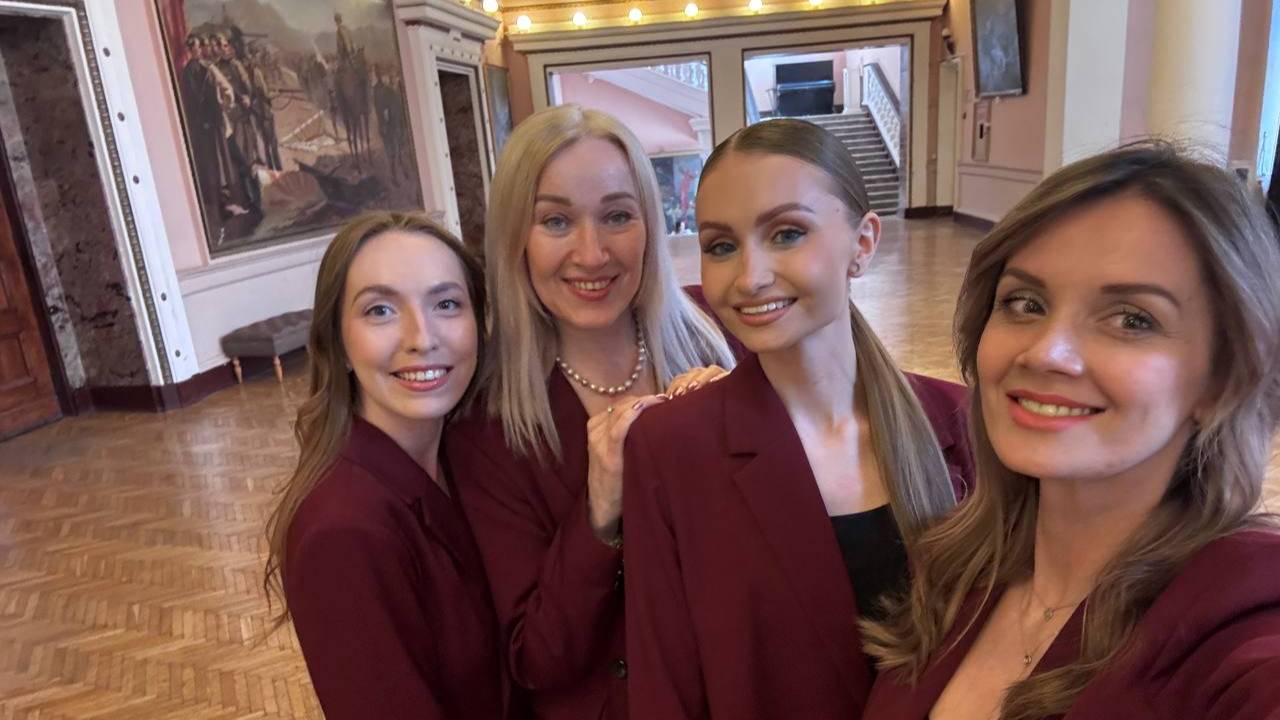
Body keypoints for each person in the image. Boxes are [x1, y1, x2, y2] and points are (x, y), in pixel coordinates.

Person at [862, 141, 1280, 719]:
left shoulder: (1243, 620)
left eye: (1132, 319)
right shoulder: (958, 567)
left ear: (1224, 379)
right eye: (1025, 303)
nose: (1046, 352)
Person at [622, 118, 975, 719]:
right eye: (721, 246)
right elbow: (665, 683)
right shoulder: (669, 447)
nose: (750, 277)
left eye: (787, 233)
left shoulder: (963, 421)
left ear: (863, 243)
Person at [444, 105, 736, 719]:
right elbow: (535, 658)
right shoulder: (484, 428)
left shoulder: (721, 337)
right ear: (515, 239)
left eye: (617, 215)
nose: (592, 252)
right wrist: (599, 514)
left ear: (650, 224)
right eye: (556, 220)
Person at [262, 212, 510, 719]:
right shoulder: (343, 530)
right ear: (338, 345)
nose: (422, 337)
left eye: (446, 303)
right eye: (380, 310)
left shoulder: (467, 461)